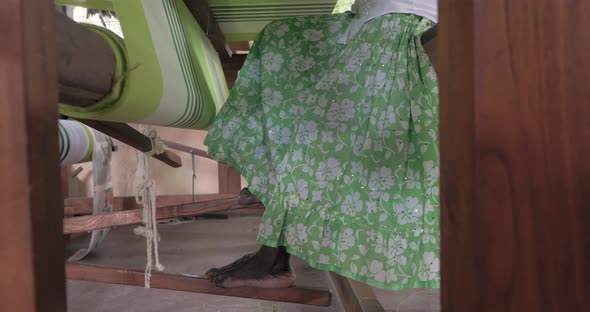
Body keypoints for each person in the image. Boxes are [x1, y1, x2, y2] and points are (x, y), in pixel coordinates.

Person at [204, 0, 439, 290]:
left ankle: (271, 257)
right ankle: (275, 182)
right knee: (280, 38)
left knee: (323, 121)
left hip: (402, 20)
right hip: (362, 18)